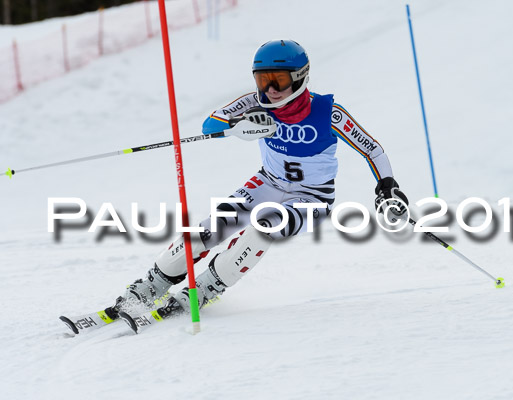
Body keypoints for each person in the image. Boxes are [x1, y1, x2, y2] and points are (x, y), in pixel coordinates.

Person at [107, 39, 409, 319]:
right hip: (268, 182)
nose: (270, 89)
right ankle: (152, 284)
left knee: (264, 227)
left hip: (312, 198)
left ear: (300, 77)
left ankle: (207, 287)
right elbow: (210, 125)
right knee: (214, 225)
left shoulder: (328, 112)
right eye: (263, 80)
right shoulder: (255, 102)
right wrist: (240, 122)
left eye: (279, 79)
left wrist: (387, 187)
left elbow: (372, 149)